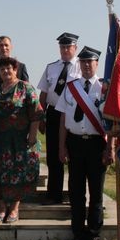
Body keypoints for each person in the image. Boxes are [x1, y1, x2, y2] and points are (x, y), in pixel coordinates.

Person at [56, 46, 112, 240]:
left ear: (97, 64)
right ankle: (78, 234)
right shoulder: (71, 88)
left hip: (97, 145)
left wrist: (110, 148)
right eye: (84, 62)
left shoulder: (105, 88)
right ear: (79, 64)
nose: (87, 65)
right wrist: (62, 146)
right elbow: (63, 118)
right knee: (76, 192)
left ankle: (93, 236)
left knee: (96, 193)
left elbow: (114, 122)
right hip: (75, 143)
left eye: (91, 62)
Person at [0, 57, 44, 223]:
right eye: (2, 69)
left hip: (21, 140)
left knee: (18, 173)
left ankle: (14, 208)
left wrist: (32, 136)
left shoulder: (26, 87)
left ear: (15, 70)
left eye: (9, 68)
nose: (6, 71)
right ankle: (1, 207)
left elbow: (36, 113)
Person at [37, 32, 81, 205]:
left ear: (75, 48)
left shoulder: (82, 66)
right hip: (54, 114)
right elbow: (43, 94)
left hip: (74, 115)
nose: (64, 49)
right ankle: (54, 194)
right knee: (54, 155)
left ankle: (73, 193)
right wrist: (41, 117)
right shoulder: (51, 67)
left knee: (74, 155)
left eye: (68, 46)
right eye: (62, 46)